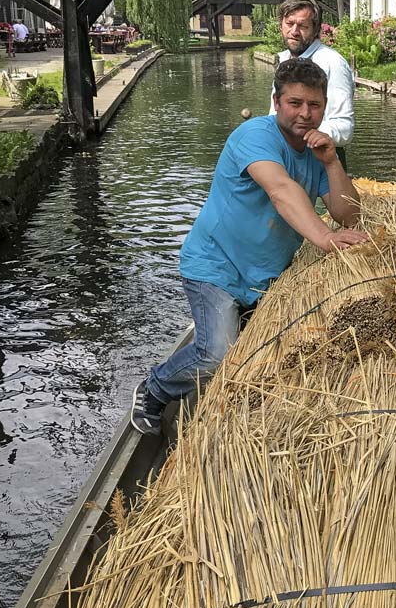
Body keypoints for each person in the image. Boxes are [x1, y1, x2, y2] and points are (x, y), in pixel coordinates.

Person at [131, 57, 368, 435]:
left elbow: (349, 215)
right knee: (216, 354)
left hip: (264, 277)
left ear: (325, 105)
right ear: (276, 102)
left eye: (315, 105)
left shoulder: (315, 150)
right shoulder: (254, 137)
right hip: (216, 267)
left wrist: (332, 162)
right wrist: (322, 238)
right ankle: (155, 388)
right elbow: (280, 190)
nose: (305, 114)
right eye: (295, 103)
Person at [272, 0, 355, 156]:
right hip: (286, 157)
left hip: (323, 163)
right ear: (281, 25)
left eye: (302, 26)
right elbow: (275, 115)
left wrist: (296, 132)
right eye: (289, 24)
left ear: (316, 29)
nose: (294, 31)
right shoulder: (283, 61)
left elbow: (344, 129)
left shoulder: (332, 63)